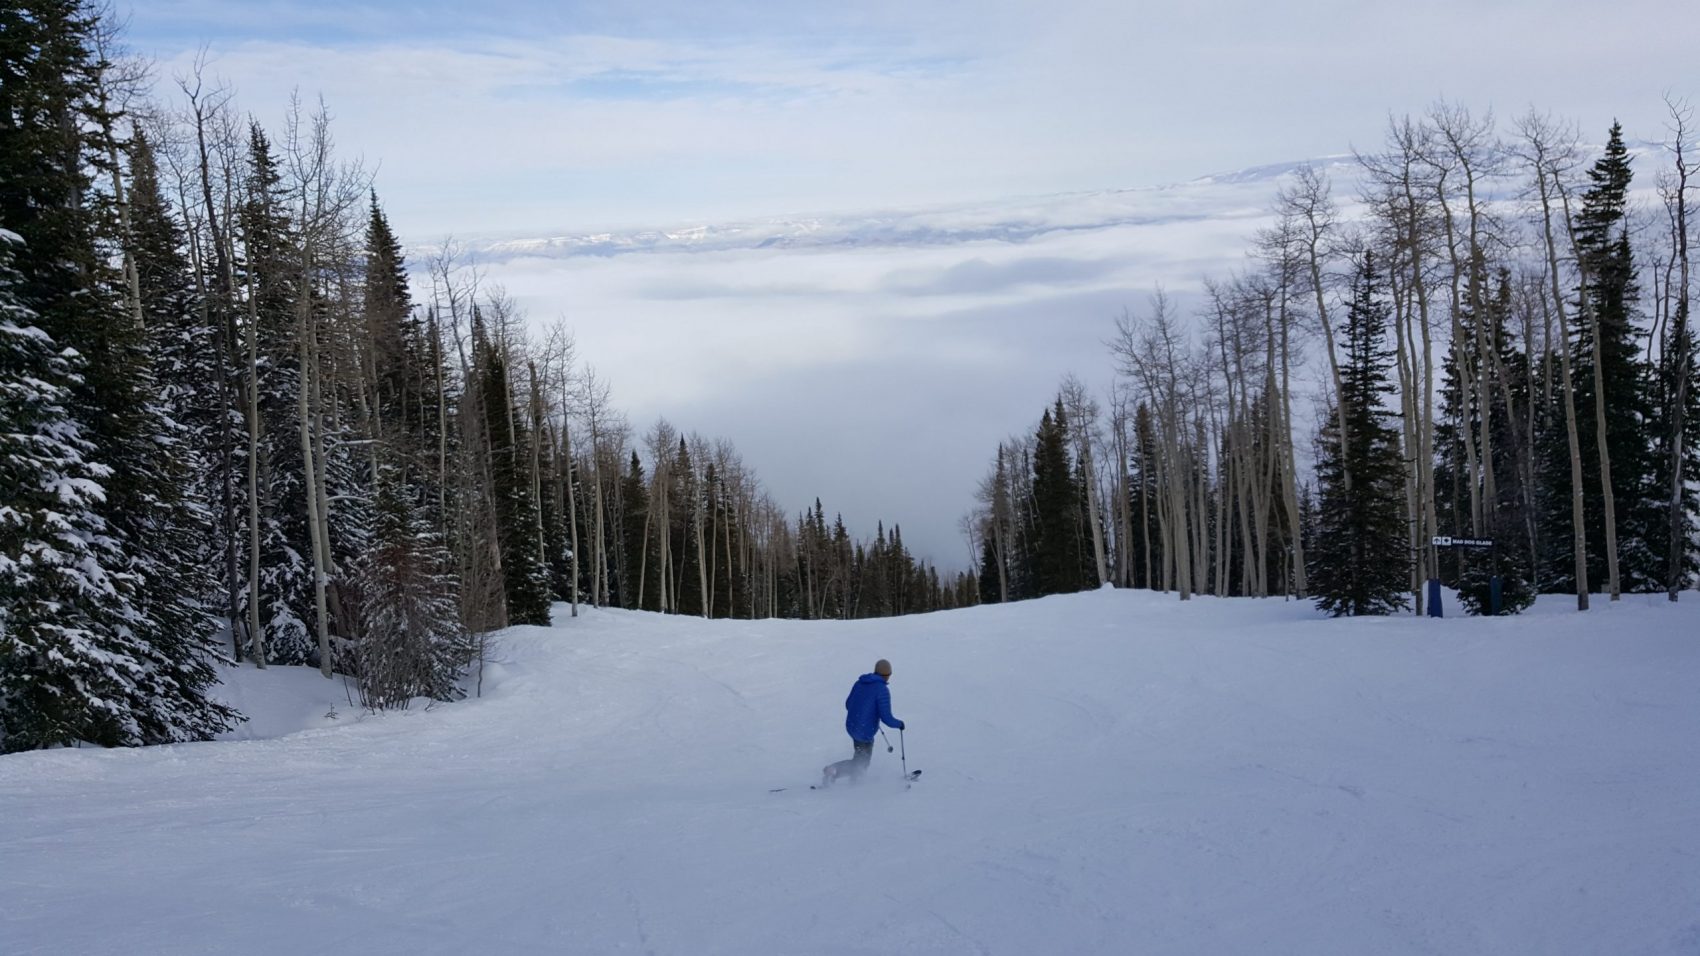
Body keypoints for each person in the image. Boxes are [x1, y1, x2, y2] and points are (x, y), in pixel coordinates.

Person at [822, 659, 905, 786]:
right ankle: (835, 771)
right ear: (887, 674)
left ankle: (852, 779)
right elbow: (887, 718)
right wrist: (899, 724)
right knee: (862, 763)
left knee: (859, 756)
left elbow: (848, 704)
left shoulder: (859, 683)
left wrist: (865, 713)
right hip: (864, 731)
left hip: (852, 725)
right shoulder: (882, 690)